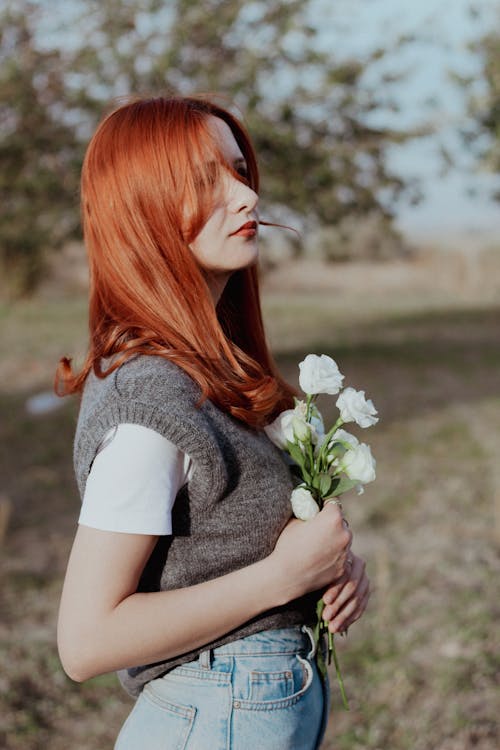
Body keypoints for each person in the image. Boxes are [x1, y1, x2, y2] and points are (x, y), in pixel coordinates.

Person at [56, 95, 370, 750]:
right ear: (141, 209)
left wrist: (326, 572)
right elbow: (85, 642)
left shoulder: (208, 376)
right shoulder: (153, 403)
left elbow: (224, 546)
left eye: (239, 171)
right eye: (205, 180)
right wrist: (283, 579)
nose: (246, 196)